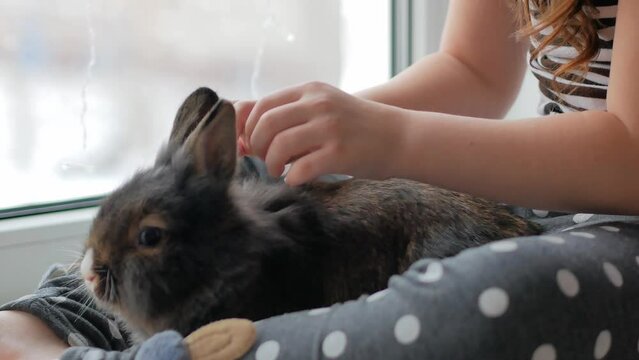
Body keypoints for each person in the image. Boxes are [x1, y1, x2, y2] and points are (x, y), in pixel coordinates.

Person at [2, 0, 639, 358]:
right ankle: (65, 321)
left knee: (506, 298)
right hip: (540, 195)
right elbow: (474, 71)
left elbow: (629, 154)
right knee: (241, 191)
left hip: (618, 222)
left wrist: (391, 138)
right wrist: (337, 128)